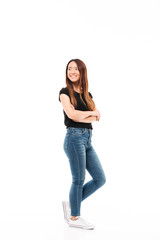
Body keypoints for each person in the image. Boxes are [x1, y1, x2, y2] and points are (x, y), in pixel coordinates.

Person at [59, 59, 106, 230]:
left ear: (82, 72)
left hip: (87, 139)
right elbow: (73, 116)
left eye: (75, 69)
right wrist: (91, 113)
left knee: (100, 179)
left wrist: (89, 115)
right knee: (78, 179)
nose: (72, 72)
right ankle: (74, 217)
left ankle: (72, 204)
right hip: (73, 138)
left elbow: (96, 118)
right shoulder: (64, 92)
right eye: (69, 69)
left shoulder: (88, 95)